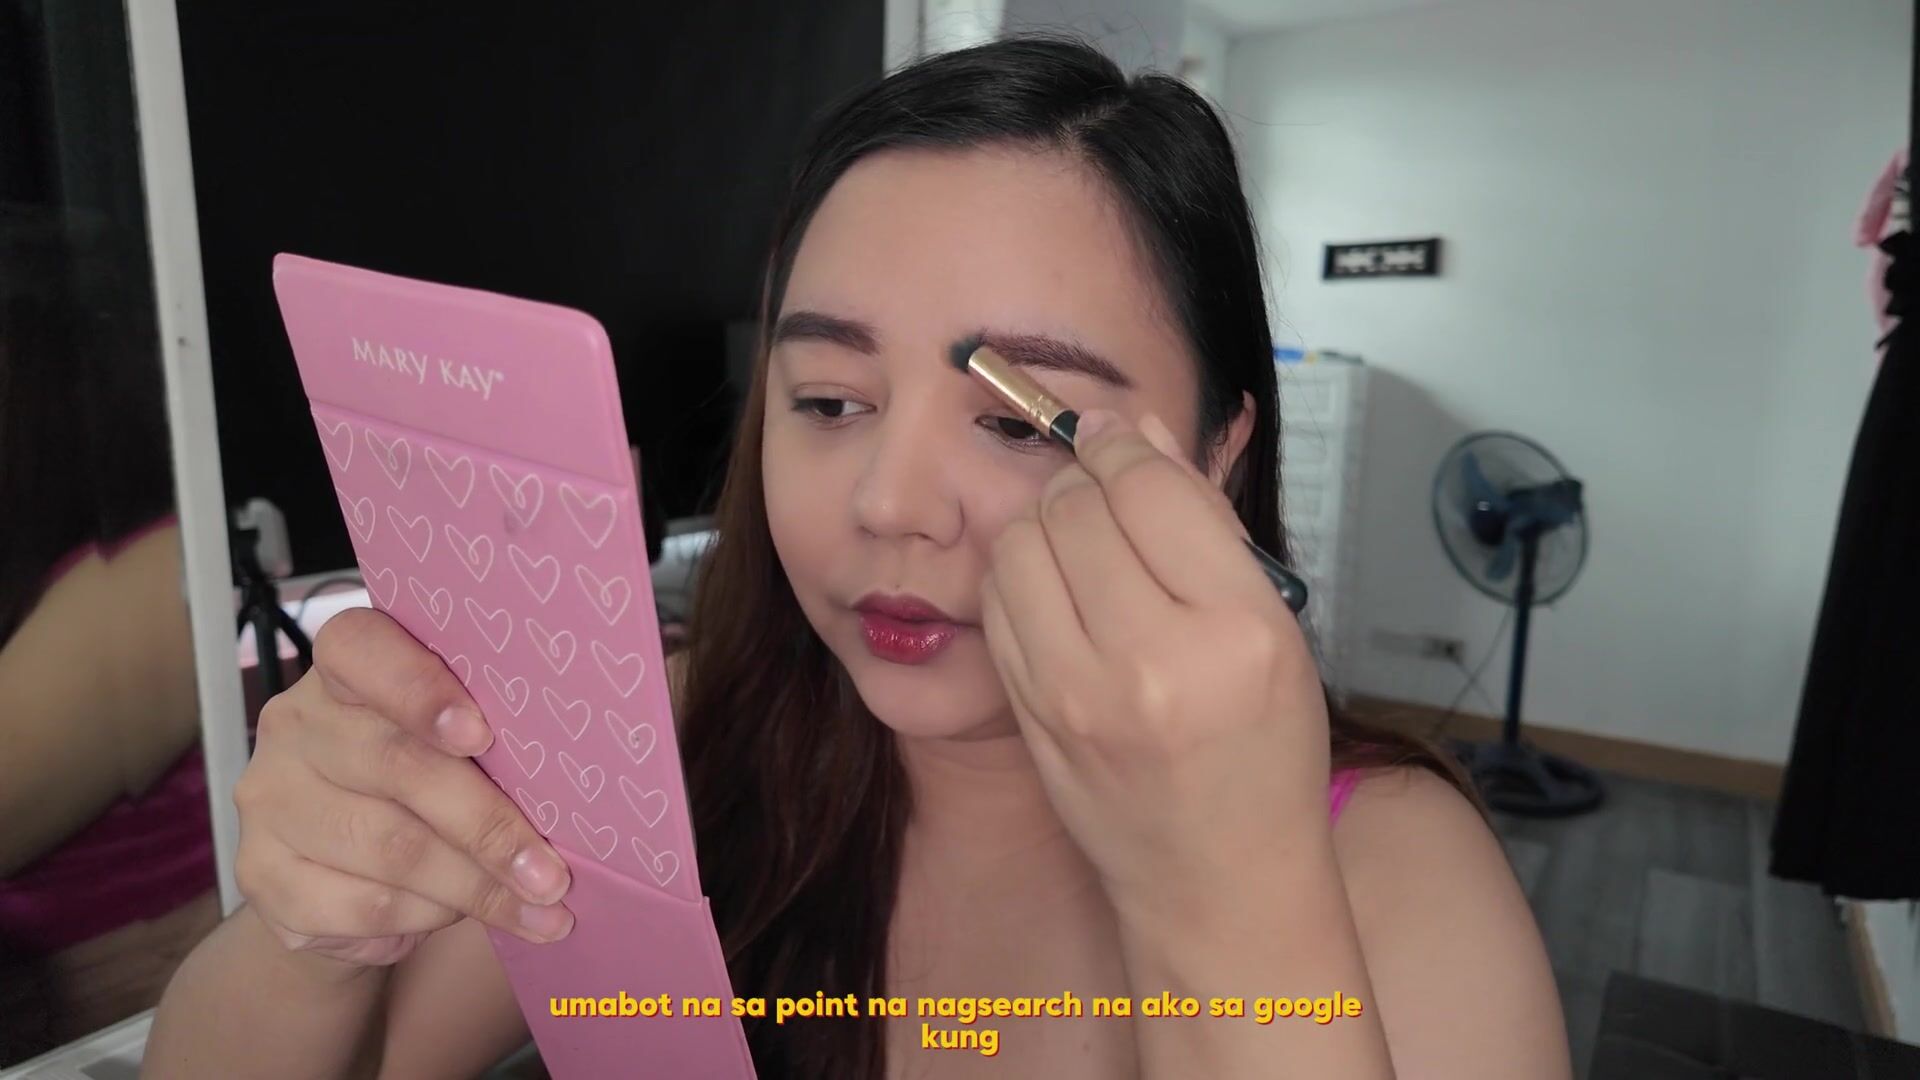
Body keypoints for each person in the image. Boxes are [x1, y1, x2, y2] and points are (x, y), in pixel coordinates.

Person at [149, 37, 1569, 1078]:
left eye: (1019, 421)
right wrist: (317, 926)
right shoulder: (679, 744)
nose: (892, 504)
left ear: (1216, 456)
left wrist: (1225, 905)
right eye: (830, 402)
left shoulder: (1389, 873)